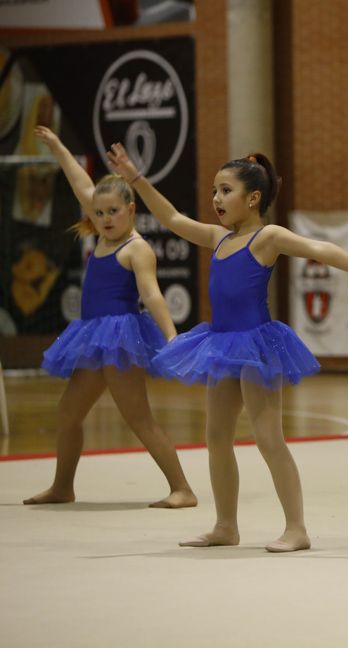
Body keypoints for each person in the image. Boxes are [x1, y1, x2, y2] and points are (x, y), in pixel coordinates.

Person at [105, 143, 348, 552]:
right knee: (216, 436)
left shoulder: (268, 237)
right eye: (214, 191)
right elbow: (171, 218)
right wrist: (136, 178)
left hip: (256, 344)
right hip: (221, 343)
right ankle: (226, 525)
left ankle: (296, 528)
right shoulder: (218, 237)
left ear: (253, 198)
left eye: (225, 190)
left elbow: (319, 249)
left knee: (268, 438)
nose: (216, 199)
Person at [24, 126, 196, 509]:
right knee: (68, 412)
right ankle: (63, 486)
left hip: (119, 340)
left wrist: (171, 337)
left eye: (112, 212)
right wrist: (58, 146)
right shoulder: (103, 234)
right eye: (98, 212)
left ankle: (183, 488)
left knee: (138, 418)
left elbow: (152, 295)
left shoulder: (137, 249)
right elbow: (79, 181)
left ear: (131, 211)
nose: (103, 218)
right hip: (92, 338)